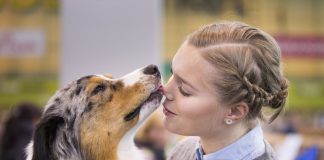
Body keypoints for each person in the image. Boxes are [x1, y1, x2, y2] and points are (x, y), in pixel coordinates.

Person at [162, 21, 289, 160]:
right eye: (171, 73)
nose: (165, 89)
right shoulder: (182, 152)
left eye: (185, 90)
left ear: (234, 111)